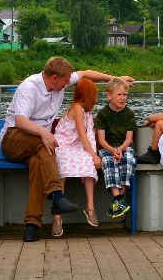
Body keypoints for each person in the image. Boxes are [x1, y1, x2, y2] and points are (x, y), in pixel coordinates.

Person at [0, 56, 134, 241]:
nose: (68, 84)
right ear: (54, 77)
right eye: (65, 81)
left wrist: (115, 79)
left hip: (38, 145)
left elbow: (86, 73)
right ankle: (57, 196)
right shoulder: (29, 87)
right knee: (47, 143)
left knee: (40, 163)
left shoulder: (61, 80)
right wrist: (43, 133)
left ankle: (32, 226)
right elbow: (20, 121)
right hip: (14, 139)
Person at [51, 79, 103, 235]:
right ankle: (57, 216)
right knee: (62, 168)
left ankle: (91, 207)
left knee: (88, 165)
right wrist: (94, 155)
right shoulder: (78, 109)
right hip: (62, 146)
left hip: (76, 147)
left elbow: (85, 136)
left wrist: (91, 157)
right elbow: (81, 133)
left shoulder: (86, 112)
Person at [95, 78, 138, 220]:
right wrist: (113, 150)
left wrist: (120, 149)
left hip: (124, 147)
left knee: (129, 160)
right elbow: (101, 140)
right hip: (107, 147)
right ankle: (118, 198)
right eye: (119, 95)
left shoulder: (129, 114)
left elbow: (129, 139)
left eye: (125, 95)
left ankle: (119, 199)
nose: (122, 98)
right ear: (109, 95)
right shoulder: (103, 114)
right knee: (108, 162)